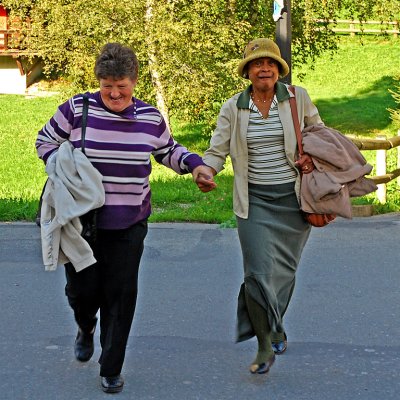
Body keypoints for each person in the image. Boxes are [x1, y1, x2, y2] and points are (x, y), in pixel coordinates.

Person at [35, 42, 215, 393]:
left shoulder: (149, 118)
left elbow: (168, 150)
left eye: (122, 86)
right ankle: (86, 325)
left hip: (130, 221)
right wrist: (64, 165)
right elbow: (45, 140)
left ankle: (110, 366)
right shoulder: (76, 109)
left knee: (120, 294)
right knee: (83, 291)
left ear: (134, 81)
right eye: (107, 86)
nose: (114, 93)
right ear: (98, 82)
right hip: (81, 223)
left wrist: (195, 166)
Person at [194, 38, 324, 375]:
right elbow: (217, 150)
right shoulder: (233, 108)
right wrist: (206, 169)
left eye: (269, 64)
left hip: (294, 199)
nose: (263, 68)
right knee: (256, 273)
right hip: (254, 202)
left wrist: (315, 152)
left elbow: (319, 133)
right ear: (248, 71)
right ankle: (264, 343)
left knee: (283, 272)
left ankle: (275, 323)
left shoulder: (298, 99)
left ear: (279, 69)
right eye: (256, 64)